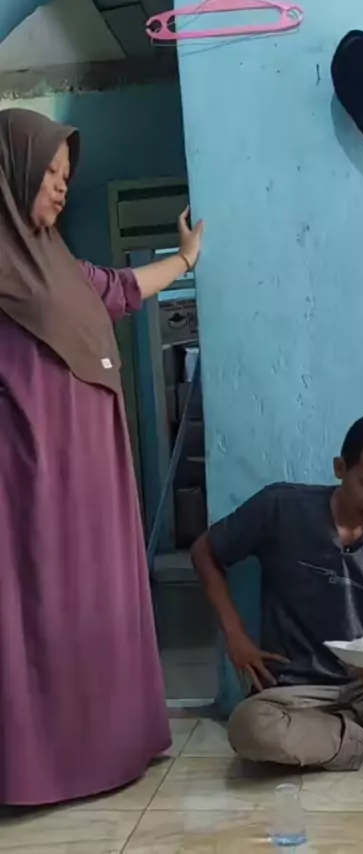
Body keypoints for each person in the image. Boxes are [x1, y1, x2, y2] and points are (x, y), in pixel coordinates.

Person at [0, 108, 204, 805]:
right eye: (49, 173)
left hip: (92, 466)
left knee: (97, 599)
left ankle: (108, 747)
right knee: (37, 606)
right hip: (27, 472)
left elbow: (121, 290)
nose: (61, 187)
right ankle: (40, 767)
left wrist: (185, 259)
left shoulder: (58, 264)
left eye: (66, 175)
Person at [191, 410, 363, 771]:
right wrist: (235, 635)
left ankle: (340, 734)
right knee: (250, 727)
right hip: (294, 694)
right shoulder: (281, 507)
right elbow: (204, 551)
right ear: (340, 468)